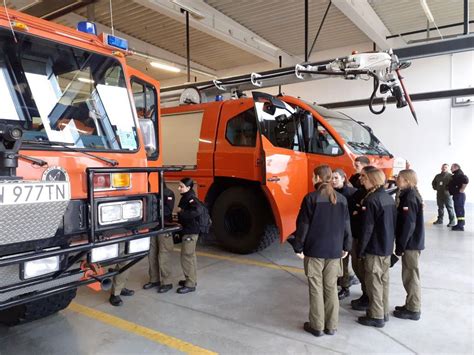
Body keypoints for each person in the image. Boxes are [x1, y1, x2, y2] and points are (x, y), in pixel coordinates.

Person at [291, 165, 352, 337]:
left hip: (315, 251)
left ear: (318, 177)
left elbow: (303, 225)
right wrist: (346, 246)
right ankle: (331, 326)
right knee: (331, 288)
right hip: (334, 252)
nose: (312, 179)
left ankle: (317, 326)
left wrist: (298, 246)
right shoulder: (341, 198)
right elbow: (346, 225)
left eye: (312, 176)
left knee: (316, 288)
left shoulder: (310, 198)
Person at [357, 168, 396, 328]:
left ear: (372, 180)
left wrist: (361, 249)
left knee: (374, 282)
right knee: (383, 281)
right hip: (386, 246)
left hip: (375, 247)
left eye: (364, 177)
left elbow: (367, 228)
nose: (362, 180)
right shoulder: (387, 198)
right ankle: (383, 312)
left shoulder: (372, 200)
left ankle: (376, 315)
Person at [158, 178, 203, 294]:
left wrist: (181, 212)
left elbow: (198, 210)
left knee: (187, 257)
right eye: (179, 186)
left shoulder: (191, 198)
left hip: (191, 232)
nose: (179, 188)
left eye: (181, 186)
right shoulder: (186, 196)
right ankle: (191, 280)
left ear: (188, 188)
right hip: (188, 231)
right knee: (190, 256)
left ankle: (190, 284)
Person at [394, 169, 424, 321]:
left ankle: (413, 309)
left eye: (398, 178)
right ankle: (410, 304)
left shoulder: (410, 198)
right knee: (408, 275)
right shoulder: (408, 194)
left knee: (411, 276)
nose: (396, 179)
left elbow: (409, 225)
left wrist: (401, 246)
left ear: (406, 180)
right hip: (411, 243)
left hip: (411, 244)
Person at [350, 165, 377, 312]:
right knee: (358, 268)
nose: (359, 178)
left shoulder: (372, 198)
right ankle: (365, 294)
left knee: (366, 271)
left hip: (364, 240)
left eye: (363, 176)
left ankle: (368, 298)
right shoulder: (360, 193)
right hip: (357, 235)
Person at [143, 181, 175, 290]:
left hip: (164, 228)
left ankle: (167, 282)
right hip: (152, 228)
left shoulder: (168, 193)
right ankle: (154, 280)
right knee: (151, 255)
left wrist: (152, 211)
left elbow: (167, 211)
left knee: (164, 255)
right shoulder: (150, 194)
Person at [331, 168, 358, 300]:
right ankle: (342, 284)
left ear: (343, 178)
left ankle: (345, 286)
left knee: (348, 260)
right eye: (331, 178)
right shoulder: (330, 193)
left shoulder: (352, 193)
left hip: (350, 231)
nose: (333, 180)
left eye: (336, 178)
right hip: (336, 232)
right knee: (340, 261)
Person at [448, 164, 469, 231]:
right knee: (458, 210)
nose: (451, 169)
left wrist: (462, 189)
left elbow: (465, 180)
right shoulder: (456, 174)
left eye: (452, 168)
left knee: (459, 210)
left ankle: (460, 226)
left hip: (459, 195)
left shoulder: (459, 174)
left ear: (456, 168)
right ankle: (459, 224)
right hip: (457, 195)